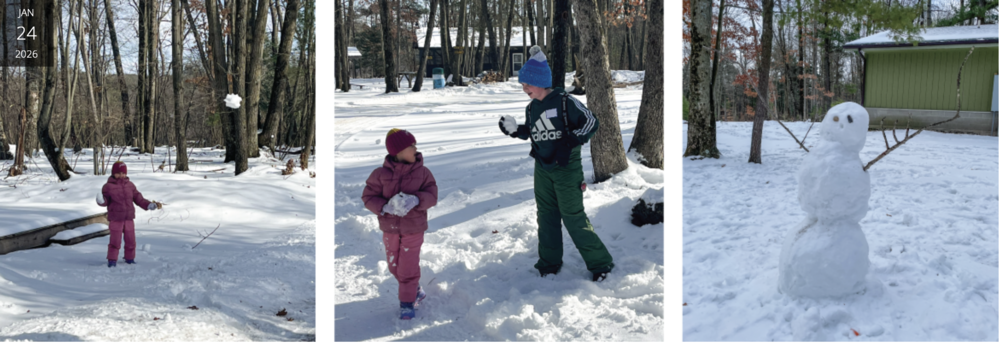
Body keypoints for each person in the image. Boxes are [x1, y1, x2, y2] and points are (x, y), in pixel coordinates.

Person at [498, 45, 614, 282]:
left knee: (573, 217)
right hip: (542, 168)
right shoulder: (531, 108)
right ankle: (549, 262)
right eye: (523, 85)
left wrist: (572, 139)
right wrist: (515, 131)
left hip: (566, 169)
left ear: (541, 81)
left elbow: (591, 121)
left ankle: (600, 263)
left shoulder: (564, 101)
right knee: (546, 216)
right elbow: (533, 131)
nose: (525, 88)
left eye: (527, 83)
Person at [362, 129, 438, 320]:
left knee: (408, 267)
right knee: (394, 265)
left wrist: (417, 200)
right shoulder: (380, 174)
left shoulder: (423, 173)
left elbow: (432, 195)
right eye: (412, 146)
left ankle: (407, 303)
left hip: (414, 228)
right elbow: (368, 196)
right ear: (399, 151)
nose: (416, 149)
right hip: (390, 228)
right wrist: (385, 206)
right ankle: (415, 289)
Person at [96, 161, 161, 268]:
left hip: (129, 218)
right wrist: (101, 201)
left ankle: (130, 258)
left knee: (131, 240)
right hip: (116, 219)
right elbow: (106, 201)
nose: (121, 175)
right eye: (119, 173)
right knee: (115, 241)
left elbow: (138, 198)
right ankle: (112, 260)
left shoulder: (130, 185)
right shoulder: (108, 187)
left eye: (123, 173)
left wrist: (149, 205)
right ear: (113, 173)